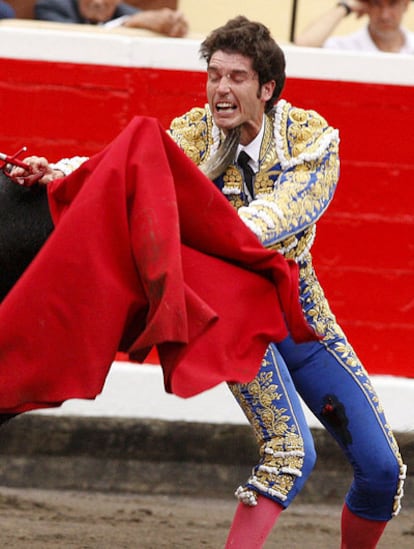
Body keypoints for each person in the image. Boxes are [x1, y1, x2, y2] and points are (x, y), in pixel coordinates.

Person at [9, 16, 406, 549]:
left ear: (267, 88)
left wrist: (196, 216)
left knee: (383, 470)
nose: (220, 88)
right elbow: (124, 175)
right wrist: (60, 172)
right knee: (289, 451)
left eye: (236, 77)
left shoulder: (312, 141)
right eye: (213, 74)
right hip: (232, 309)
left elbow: (270, 220)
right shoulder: (195, 133)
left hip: (300, 311)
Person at [294, 0, 414, 53]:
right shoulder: (347, 47)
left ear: (406, 4)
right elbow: (304, 44)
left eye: (393, 4)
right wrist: (345, 6)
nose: (385, 15)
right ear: (365, 4)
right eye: (377, 4)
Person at [34, 0, 189, 37]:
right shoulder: (51, 6)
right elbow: (82, 40)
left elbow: (154, 20)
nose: (99, 2)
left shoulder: (122, 11)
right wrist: (128, 23)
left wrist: (173, 23)